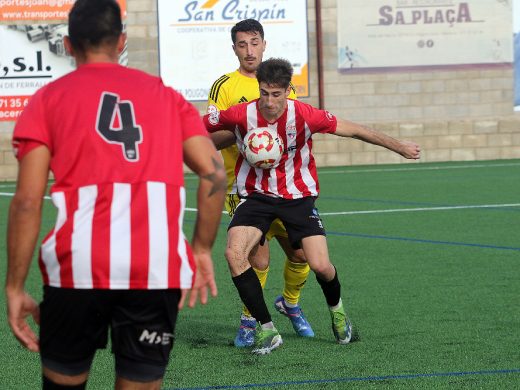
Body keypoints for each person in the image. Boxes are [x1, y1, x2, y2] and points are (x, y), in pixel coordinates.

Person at [5, 0, 226, 389]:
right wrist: (202, 249)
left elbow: (26, 202)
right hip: (154, 269)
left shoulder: (47, 99)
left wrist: (15, 286)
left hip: (77, 269)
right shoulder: (166, 96)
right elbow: (213, 173)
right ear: (121, 41)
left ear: (69, 45)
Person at [203, 58, 421, 354]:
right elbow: (195, 128)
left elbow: (355, 129)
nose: (269, 102)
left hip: (298, 197)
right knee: (233, 253)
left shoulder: (305, 114)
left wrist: (400, 146)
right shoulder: (241, 113)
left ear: (287, 91)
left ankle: (337, 312)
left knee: (319, 264)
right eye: (264, 93)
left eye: (276, 94)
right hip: (256, 197)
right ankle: (267, 330)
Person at [207, 18, 314, 348]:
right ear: (234, 48)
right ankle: (249, 319)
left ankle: (290, 303)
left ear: (264, 44)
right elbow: (210, 136)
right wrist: (249, 135)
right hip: (244, 189)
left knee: (302, 255)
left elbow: (293, 126)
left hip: (285, 187)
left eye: (255, 43)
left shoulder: (281, 83)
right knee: (258, 259)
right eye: (242, 44)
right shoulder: (223, 86)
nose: (249, 50)